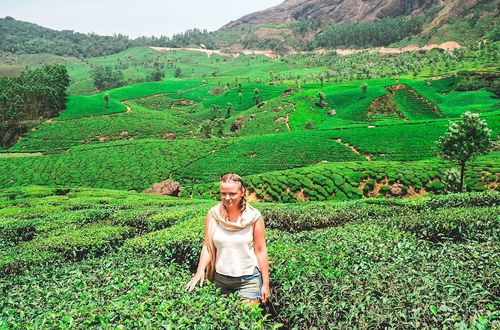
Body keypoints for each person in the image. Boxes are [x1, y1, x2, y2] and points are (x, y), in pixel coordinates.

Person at [185, 173, 270, 306]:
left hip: (248, 279)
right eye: (223, 193)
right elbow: (208, 246)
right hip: (220, 279)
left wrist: (266, 284)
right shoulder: (214, 214)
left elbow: (260, 250)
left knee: (248, 322)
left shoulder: (254, 217)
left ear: (242, 192)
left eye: (232, 193)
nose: (227, 198)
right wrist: (200, 271)